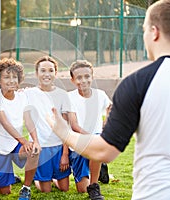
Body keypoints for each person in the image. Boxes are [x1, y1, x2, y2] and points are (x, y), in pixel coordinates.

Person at [47, 0, 170, 199]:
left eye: (144, 29)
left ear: (154, 32)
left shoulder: (137, 84)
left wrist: (64, 132)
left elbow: (105, 152)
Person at [0, 58, 41, 200]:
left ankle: (26, 188)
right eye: (6, 77)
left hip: (15, 145)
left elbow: (29, 120)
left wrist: (35, 141)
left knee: (34, 152)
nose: (11, 80)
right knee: (5, 191)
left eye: (14, 77)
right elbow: (5, 123)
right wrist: (24, 141)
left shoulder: (22, 96)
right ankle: (11, 177)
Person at [24, 56, 71, 193]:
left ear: (55, 73)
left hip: (58, 147)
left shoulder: (62, 95)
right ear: (36, 73)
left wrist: (65, 154)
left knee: (64, 188)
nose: (47, 74)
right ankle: (37, 179)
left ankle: (47, 177)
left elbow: (65, 127)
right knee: (46, 191)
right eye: (43, 70)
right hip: (41, 148)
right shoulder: (28, 93)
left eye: (50, 70)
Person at [67, 60, 112, 200]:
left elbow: (110, 107)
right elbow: (74, 125)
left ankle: (94, 185)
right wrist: (92, 137)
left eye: (87, 76)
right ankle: (99, 167)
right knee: (81, 189)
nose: (84, 80)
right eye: (79, 77)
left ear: (92, 77)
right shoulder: (69, 97)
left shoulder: (101, 95)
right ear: (73, 80)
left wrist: (106, 124)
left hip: (95, 140)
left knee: (96, 147)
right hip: (78, 141)